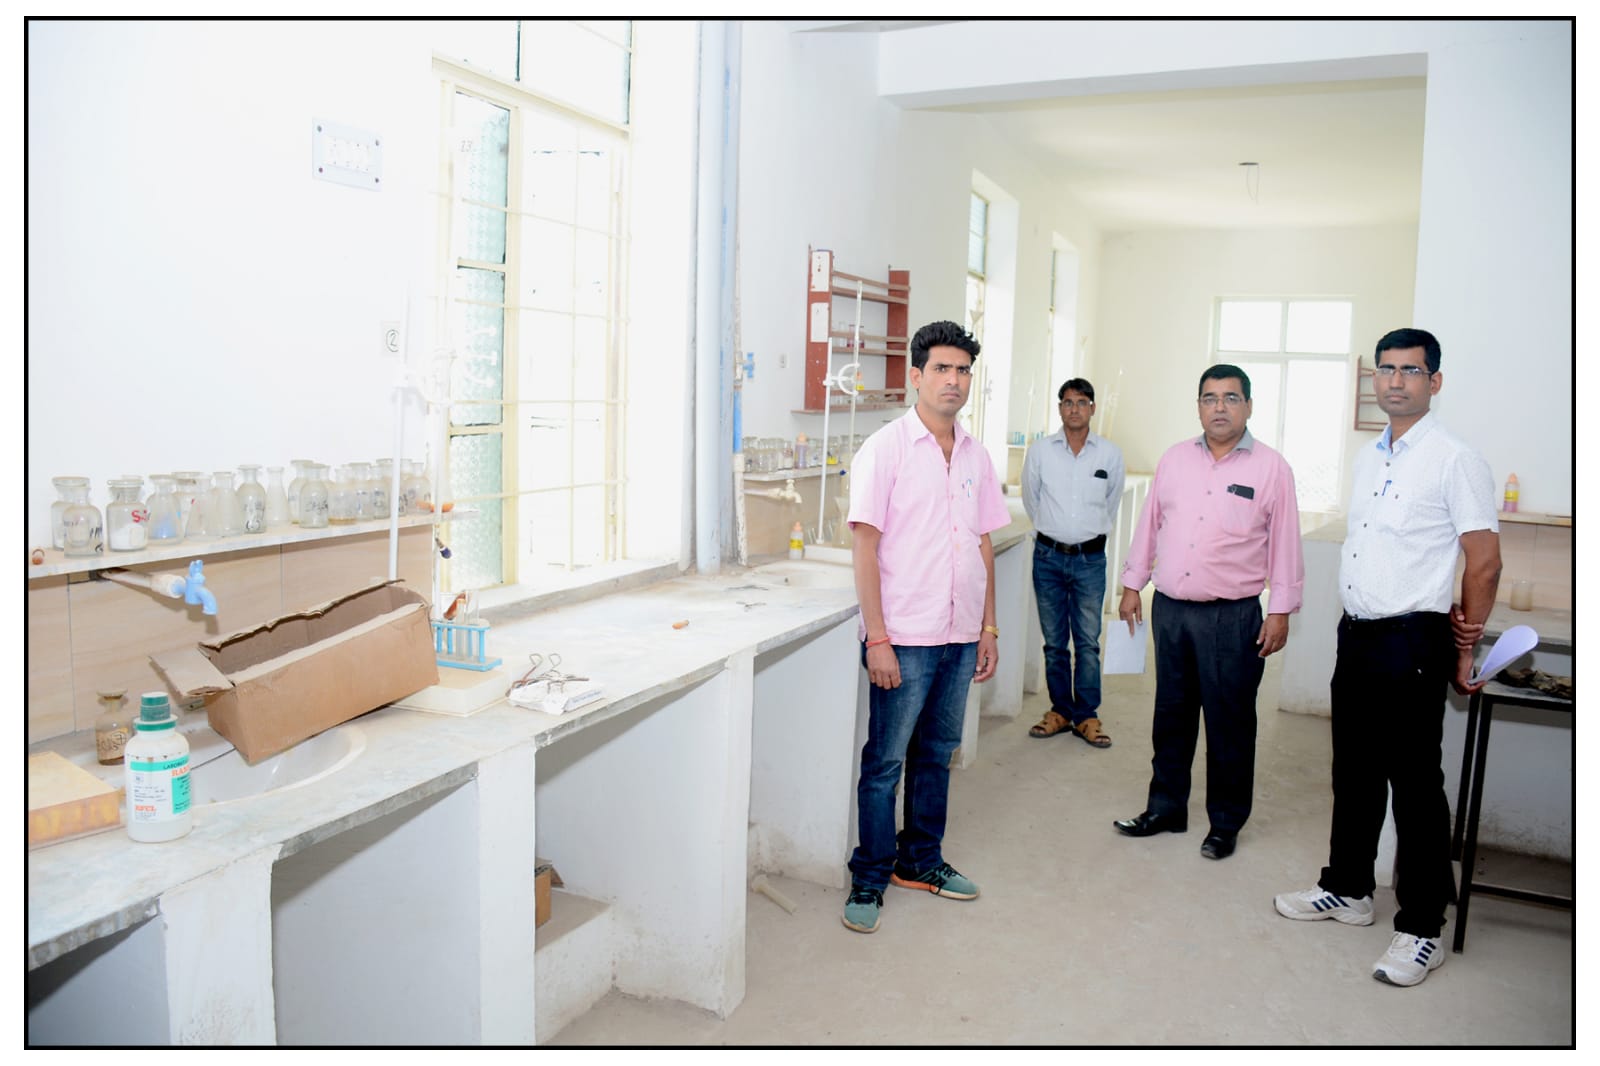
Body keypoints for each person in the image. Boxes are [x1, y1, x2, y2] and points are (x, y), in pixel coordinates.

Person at [1274, 328, 1501, 988]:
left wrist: (1466, 646)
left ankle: (1422, 926)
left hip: (1414, 640)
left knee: (1415, 785)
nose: (1396, 381)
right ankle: (1348, 889)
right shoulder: (1371, 456)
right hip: (1359, 635)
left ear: (1435, 381)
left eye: (1411, 370)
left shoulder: (1455, 459)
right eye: (1386, 369)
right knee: (1354, 771)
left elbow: (1484, 561)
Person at [841, 319, 1010, 934]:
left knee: (937, 754)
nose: (953, 380)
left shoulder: (975, 454)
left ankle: (920, 861)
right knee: (886, 762)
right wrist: (878, 638)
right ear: (916, 376)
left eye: (963, 370)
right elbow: (865, 546)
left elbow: (982, 543)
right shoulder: (886, 450)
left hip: (959, 635)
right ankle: (870, 875)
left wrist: (988, 627)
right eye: (941, 368)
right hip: (905, 637)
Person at [1114, 364, 1303, 860]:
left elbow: (1285, 544)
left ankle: (1225, 822)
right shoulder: (1175, 459)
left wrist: (1280, 610)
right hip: (1170, 611)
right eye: (1210, 398)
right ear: (1198, 406)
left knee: (1229, 724)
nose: (1220, 407)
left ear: (1249, 406)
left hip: (1232, 618)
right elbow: (1150, 525)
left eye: (1231, 398)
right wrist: (1133, 584)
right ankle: (1166, 808)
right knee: (1171, 716)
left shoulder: (1271, 468)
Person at [1021, 378, 1125, 748]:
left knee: (1087, 642)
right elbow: (1031, 500)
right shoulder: (1040, 452)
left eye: (1082, 402)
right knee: (1054, 643)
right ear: (1060, 408)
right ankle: (1061, 711)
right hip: (1048, 558)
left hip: (1090, 560)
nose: (1074, 409)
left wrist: (1083, 534)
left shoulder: (1109, 454)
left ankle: (1087, 715)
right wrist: (1057, 530)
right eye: (1068, 402)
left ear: (1092, 408)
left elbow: (1111, 502)